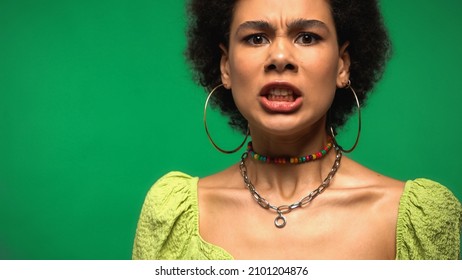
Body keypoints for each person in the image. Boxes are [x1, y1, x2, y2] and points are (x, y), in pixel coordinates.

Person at [132, 0, 461, 259]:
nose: (279, 57)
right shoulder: (172, 216)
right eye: (256, 38)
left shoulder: (416, 221)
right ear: (226, 67)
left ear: (342, 65)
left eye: (307, 37)